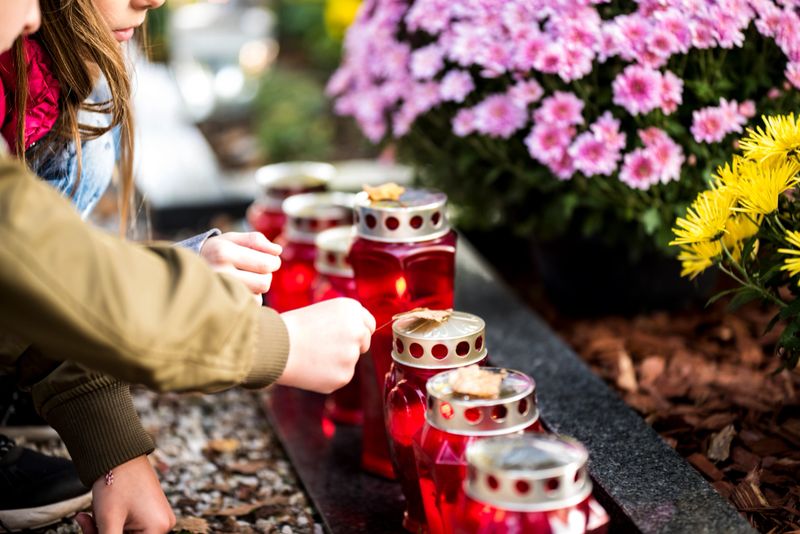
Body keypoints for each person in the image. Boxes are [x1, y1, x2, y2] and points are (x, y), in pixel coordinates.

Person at [0, 1, 375, 532]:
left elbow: (41, 278)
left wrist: (113, 449)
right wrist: (274, 343)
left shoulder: (35, 68)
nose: (150, 0)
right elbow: (34, 266)